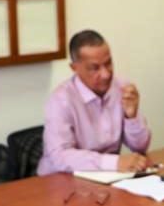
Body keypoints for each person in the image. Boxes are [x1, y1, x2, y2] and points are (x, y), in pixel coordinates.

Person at [37, 30, 151, 175]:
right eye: (94, 68)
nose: (105, 74)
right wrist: (113, 162)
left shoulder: (122, 88)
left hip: (107, 177)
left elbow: (141, 148)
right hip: (60, 179)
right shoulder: (61, 100)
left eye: (108, 63)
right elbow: (60, 156)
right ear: (75, 68)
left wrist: (131, 117)